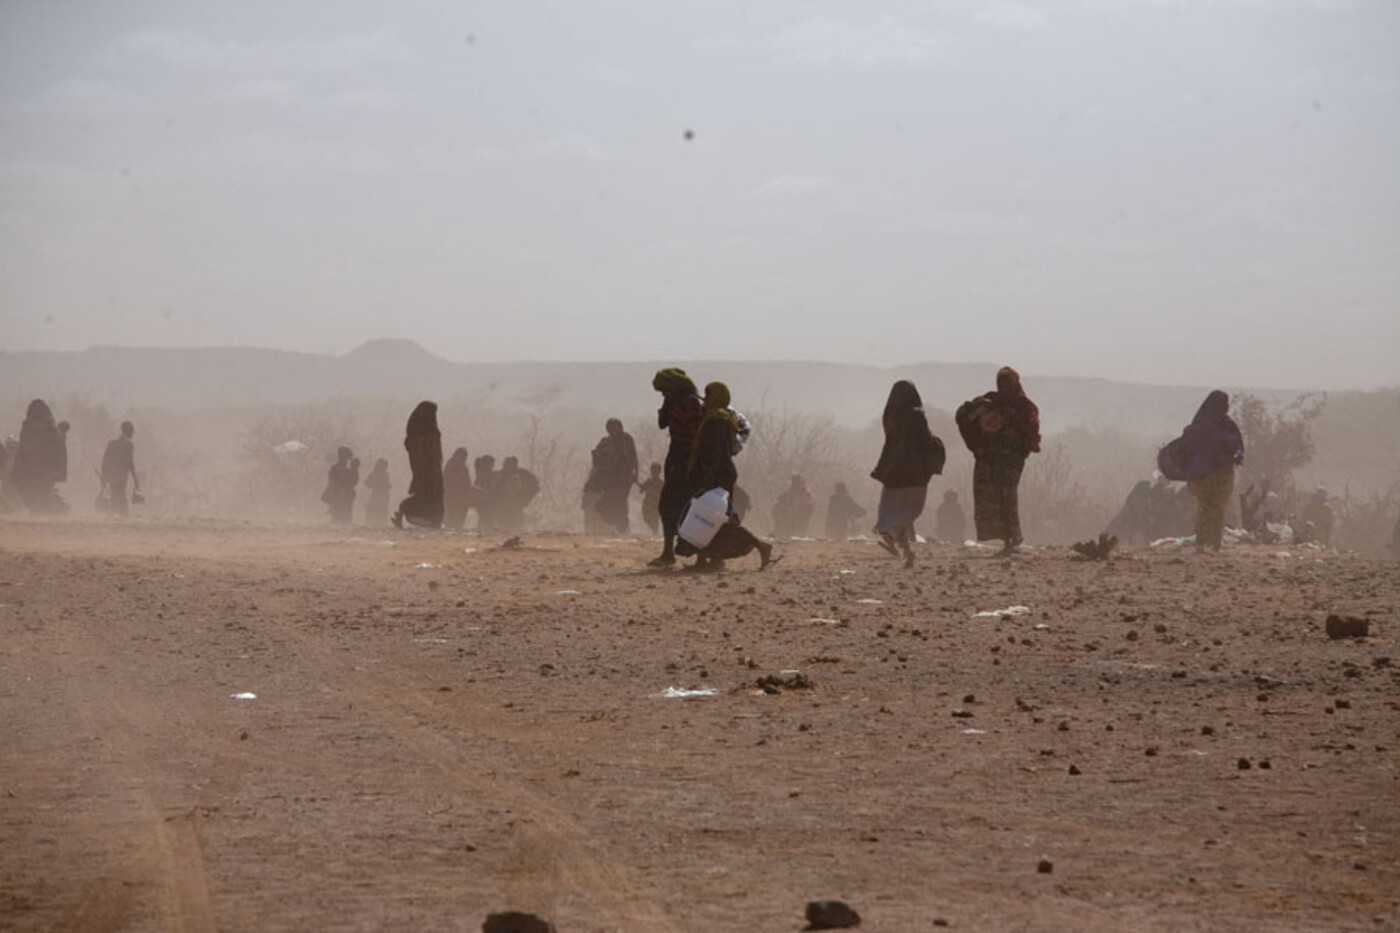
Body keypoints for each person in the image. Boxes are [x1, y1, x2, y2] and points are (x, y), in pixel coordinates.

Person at [676, 382, 775, 571]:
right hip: (718, 472)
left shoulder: (718, 419)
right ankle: (710, 559)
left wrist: (707, 476)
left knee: (712, 517)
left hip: (716, 474)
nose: (705, 398)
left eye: (708, 394)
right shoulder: (717, 417)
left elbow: (716, 451)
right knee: (711, 518)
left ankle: (758, 545)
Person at [956, 366, 1040, 556]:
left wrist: (1011, 417)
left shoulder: (1024, 407)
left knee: (1008, 496)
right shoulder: (989, 402)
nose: (1003, 387)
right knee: (992, 497)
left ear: (1015, 384)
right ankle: (1006, 540)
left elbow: (1031, 429)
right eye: (1000, 383)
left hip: (1012, 460)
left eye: (1007, 383)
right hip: (989, 459)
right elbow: (964, 417)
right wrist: (971, 409)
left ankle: (1013, 540)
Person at [872, 380, 944, 567]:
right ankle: (893, 533)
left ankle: (906, 553)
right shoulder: (916, 415)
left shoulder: (890, 416)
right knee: (912, 508)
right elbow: (925, 440)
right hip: (914, 471)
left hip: (893, 472)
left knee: (894, 509)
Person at [1165, 390, 1244, 551]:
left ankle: (1207, 543)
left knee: (1208, 509)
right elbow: (1235, 448)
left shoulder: (1203, 424)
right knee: (1213, 509)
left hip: (1206, 476)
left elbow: (1187, 447)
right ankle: (1209, 543)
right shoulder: (1224, 426)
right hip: (1215, 475)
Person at [649, 368, 705, 567]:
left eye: (665, 390)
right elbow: (662, 424)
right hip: (677, 457)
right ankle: (668, 552)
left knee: (688, 506)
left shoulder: (689, 402)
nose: (663, 394)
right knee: (668, 505)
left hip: (687, 460)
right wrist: (667, 402)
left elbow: (693, 433)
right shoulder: (675, 401)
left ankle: (689, 554)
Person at [11, 399, 69, 514]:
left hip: (30, 472)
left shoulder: (28, 428)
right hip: (42, 472)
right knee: (38, 496)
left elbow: (22, 451)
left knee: (34, 497)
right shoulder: (50, 430)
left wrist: (17, 471)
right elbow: (59, 449)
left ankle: (43, 510)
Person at [392, 401, 444, 529]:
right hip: (430, 469)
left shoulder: (417, 431)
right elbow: (429, 452)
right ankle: (432, 521)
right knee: (431, 495)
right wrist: (431, 467)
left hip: (425, 469)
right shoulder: (428, 430)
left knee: (426, 495)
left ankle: (403, 512)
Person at [586, 418, 639, 534]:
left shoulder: (626, 439)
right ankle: (616, 525)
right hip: (610, 477)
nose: (612, 430)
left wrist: (636, 473)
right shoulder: (606, 441)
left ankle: (622, 527)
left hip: (624, 477)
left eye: (614, 427)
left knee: (621, 501)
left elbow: (633, 456)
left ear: (619, 427)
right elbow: (597, 459)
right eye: (609, 428)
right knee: (606, 502)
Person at [99, 421, 141, 516]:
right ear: (128, 431)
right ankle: (123, 514)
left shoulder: (112, 443)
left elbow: (105, 461)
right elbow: (130, 462)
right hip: (121, 476)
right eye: (132, 431)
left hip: (111, 476)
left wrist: (103, 476)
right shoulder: (129, 444)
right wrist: (135, 478)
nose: (133, 433)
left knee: (115, 494)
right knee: (120, 495)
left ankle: (115, 513)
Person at [495, 456, 539, 532]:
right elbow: (495, 489)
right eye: (504, 465)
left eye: (507, 465)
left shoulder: (523, 474)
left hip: (517, 503)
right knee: (503, 525)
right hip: (503, 504)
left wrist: (526, 498)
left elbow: (535, 487)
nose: (505, 467)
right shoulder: (501, 475)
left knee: (516, 524)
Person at [322, 446, 359, 524]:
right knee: (342, 517)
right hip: (341, 496)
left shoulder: (336, 469)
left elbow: (351, 482)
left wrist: (354, 470)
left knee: (340, 517)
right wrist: (354, 470)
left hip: (340, 496)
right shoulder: (339, 469)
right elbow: (352, 482)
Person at [442, 448, 474, 530]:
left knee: (454, 515)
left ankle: (454, 527)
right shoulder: (457, 466)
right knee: (455, 515)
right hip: (456, 495)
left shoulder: (450, 465)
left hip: (455, 495)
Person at [636, 462, 663, 535]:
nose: (655, 473)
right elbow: (642, 490)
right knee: (649, 519)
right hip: (650, 505)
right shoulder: (651, 482)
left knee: (653, 520)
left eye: (656, 472)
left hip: (654, 505)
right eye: (654, 471)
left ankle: (655, 533)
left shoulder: (659, 483)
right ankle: (655, 532)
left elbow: (641, 490)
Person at [363, 458, 391, 526]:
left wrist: (386, 487)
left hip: (383, 495)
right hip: (377, 494)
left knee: (381, 511)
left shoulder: (385, 474)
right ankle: (373, 523)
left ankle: (380, 523)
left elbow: (367, 483)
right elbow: (367, 483)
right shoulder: (375, 474)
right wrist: (376, 485)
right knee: (375, 510)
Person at [473, 455, 497, 529]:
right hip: (485, 497)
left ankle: (483, 526)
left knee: (483, 514)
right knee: (485, 513)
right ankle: (485, 526)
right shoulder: (486, 474)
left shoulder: (481, 473)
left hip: (482, 496)